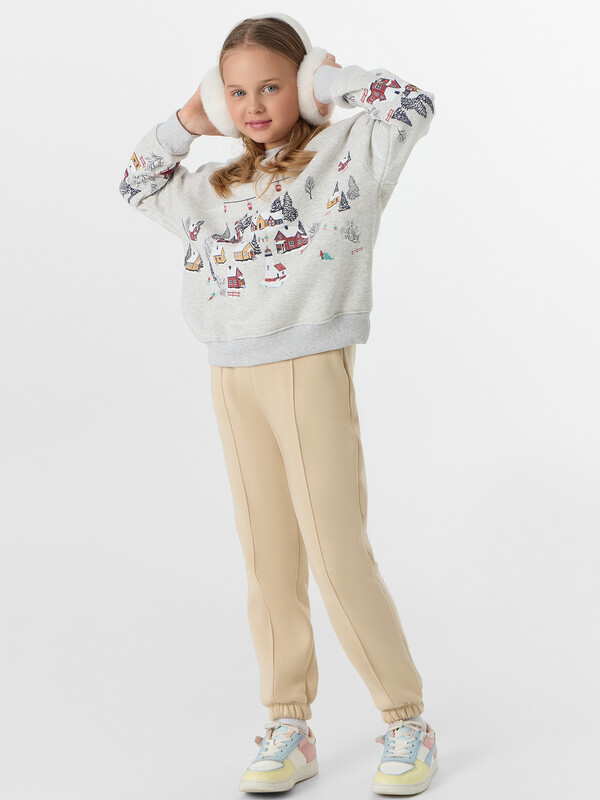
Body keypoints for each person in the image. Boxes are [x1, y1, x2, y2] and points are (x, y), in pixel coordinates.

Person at [119, 12, 437, 796]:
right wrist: (189, 119)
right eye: (236, 92)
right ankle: (288, 721)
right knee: (268, 559)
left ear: (304, 80)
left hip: (310, 365)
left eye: (271, 86)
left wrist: (330, 83)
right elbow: (136, 182)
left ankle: (406, 719)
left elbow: (412, 104)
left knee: (335, 552)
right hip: (232, 375)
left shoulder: (348, 152)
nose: (254, 104)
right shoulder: (215, 186)